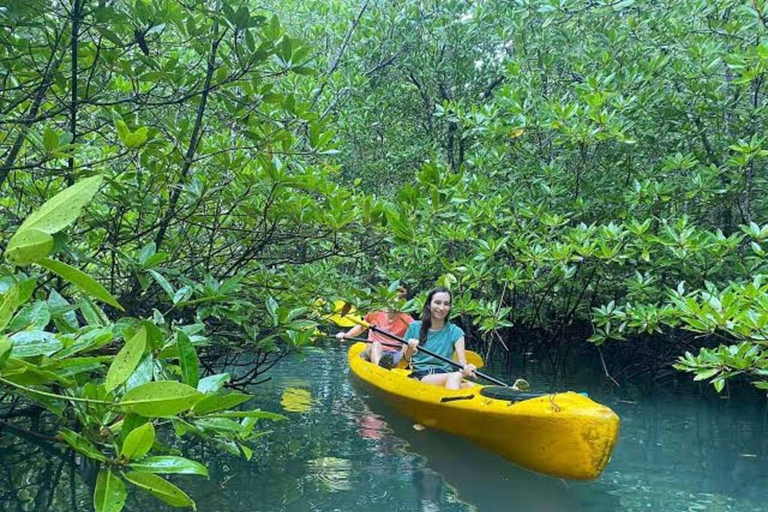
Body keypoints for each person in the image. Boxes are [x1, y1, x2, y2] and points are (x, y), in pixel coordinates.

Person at [403, 287, 476, 389]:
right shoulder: (414, 327)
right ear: (429, 304)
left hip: (446, 375)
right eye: (437, 303)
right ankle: (448, 403)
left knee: (470, 386)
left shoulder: (456, 332)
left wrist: (467, 368)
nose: (441, 308)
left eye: (446, 304)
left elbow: (462, 364)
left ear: (450, 307)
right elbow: (404, 360)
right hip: (422, 376)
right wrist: (410, 347)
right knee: (456, 376)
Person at [336, 287, 414, 369]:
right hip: (373, 349)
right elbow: (362, 327)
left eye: (400, 298)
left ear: (403, 301)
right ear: (387, 298)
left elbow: (417, 334)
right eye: (393, 297)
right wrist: (346, 335)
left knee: (406, 350)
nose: (396, 300)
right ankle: (379, 369)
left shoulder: (407, 319)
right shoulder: (375, 312)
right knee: (376, 345)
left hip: (395, 352)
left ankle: (390, 365)